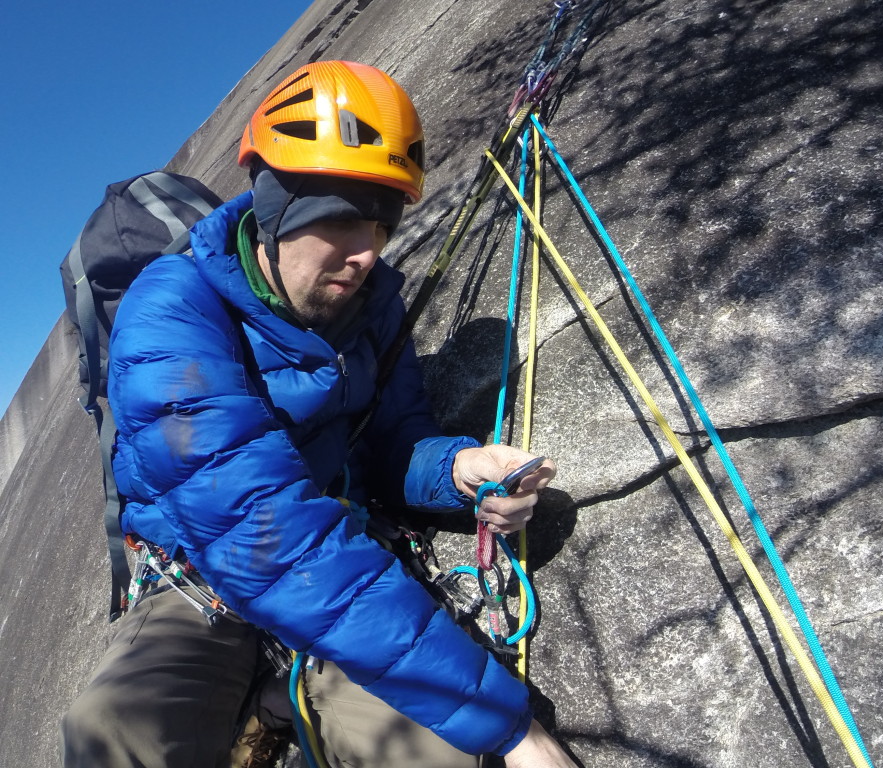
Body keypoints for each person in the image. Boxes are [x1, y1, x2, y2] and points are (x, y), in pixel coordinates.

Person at [61, 60, 576, 768]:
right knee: (114, 736)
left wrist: (457, 469)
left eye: (383, 221)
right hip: (202, 576)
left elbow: (392, 444)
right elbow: (259, 529)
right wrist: (509, 727)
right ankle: (271, 697)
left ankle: (277, 700)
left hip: (336, 554)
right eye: (339, 216)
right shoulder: (170, 314)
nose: (367, 252)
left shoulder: (372, 307)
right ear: (274, 210)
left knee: (435, 755)